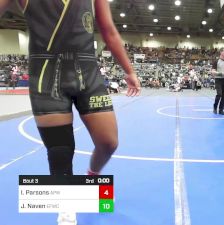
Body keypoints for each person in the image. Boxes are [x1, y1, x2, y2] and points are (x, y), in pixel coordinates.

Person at [0, 0, 141, 224]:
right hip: (46, 74)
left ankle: (91, 176)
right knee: (60, 151)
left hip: (87, 72)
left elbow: (108, 30)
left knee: (109, 142)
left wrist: (129, 70)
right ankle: (66, 212)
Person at [211, 48, 224, 115]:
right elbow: (212, 72)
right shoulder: (216, 61)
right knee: (219, 94)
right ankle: (215, 108)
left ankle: (221, 110)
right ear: (221, 52)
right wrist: (221, 73)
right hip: (218, 79)